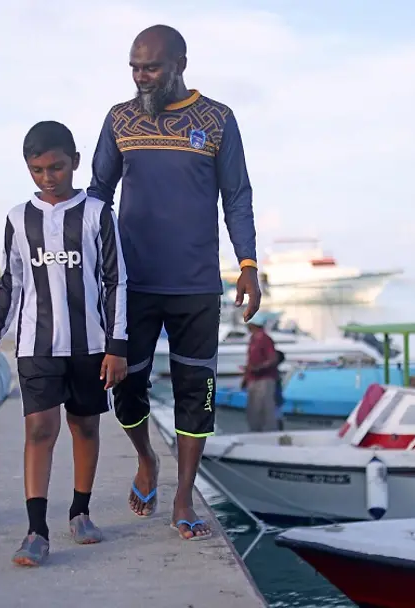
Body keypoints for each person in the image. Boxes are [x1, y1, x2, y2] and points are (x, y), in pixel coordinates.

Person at [88, 24, 262, 541]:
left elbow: (237, 196)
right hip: (132, 285)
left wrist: (247, 264)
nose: (142, 77)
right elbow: (99, 193)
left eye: (152, 67)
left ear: (180, 63)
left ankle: (184, 496)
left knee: (197, 392)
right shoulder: (120, 119)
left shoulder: (218, 120)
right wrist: (88, 265)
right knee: (126, 387)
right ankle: (146, 460)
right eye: (135, 68)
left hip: (195, 286)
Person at [0, 121, 128, 567]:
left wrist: (117, 346)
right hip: (36, 347)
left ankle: (80, 512)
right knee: (39, 428)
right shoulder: (18, 219)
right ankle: (36, 532)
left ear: (75, 162)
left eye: (56, 167)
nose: (48, 177)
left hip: (90, 345)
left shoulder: (99, 214)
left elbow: (117, 280)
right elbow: (11, 284)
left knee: (85, 426)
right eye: (37, 169)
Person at [242, 314, 280, 432]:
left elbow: (273, 359)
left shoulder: (265, 339)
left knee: (265, 409)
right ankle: (255, 432)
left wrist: (259, 368)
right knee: (253, 409)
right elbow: (250, 360)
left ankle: (269, 434)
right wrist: (245, 378)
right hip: (252, 379)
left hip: (265, 379)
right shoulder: (252, 339)